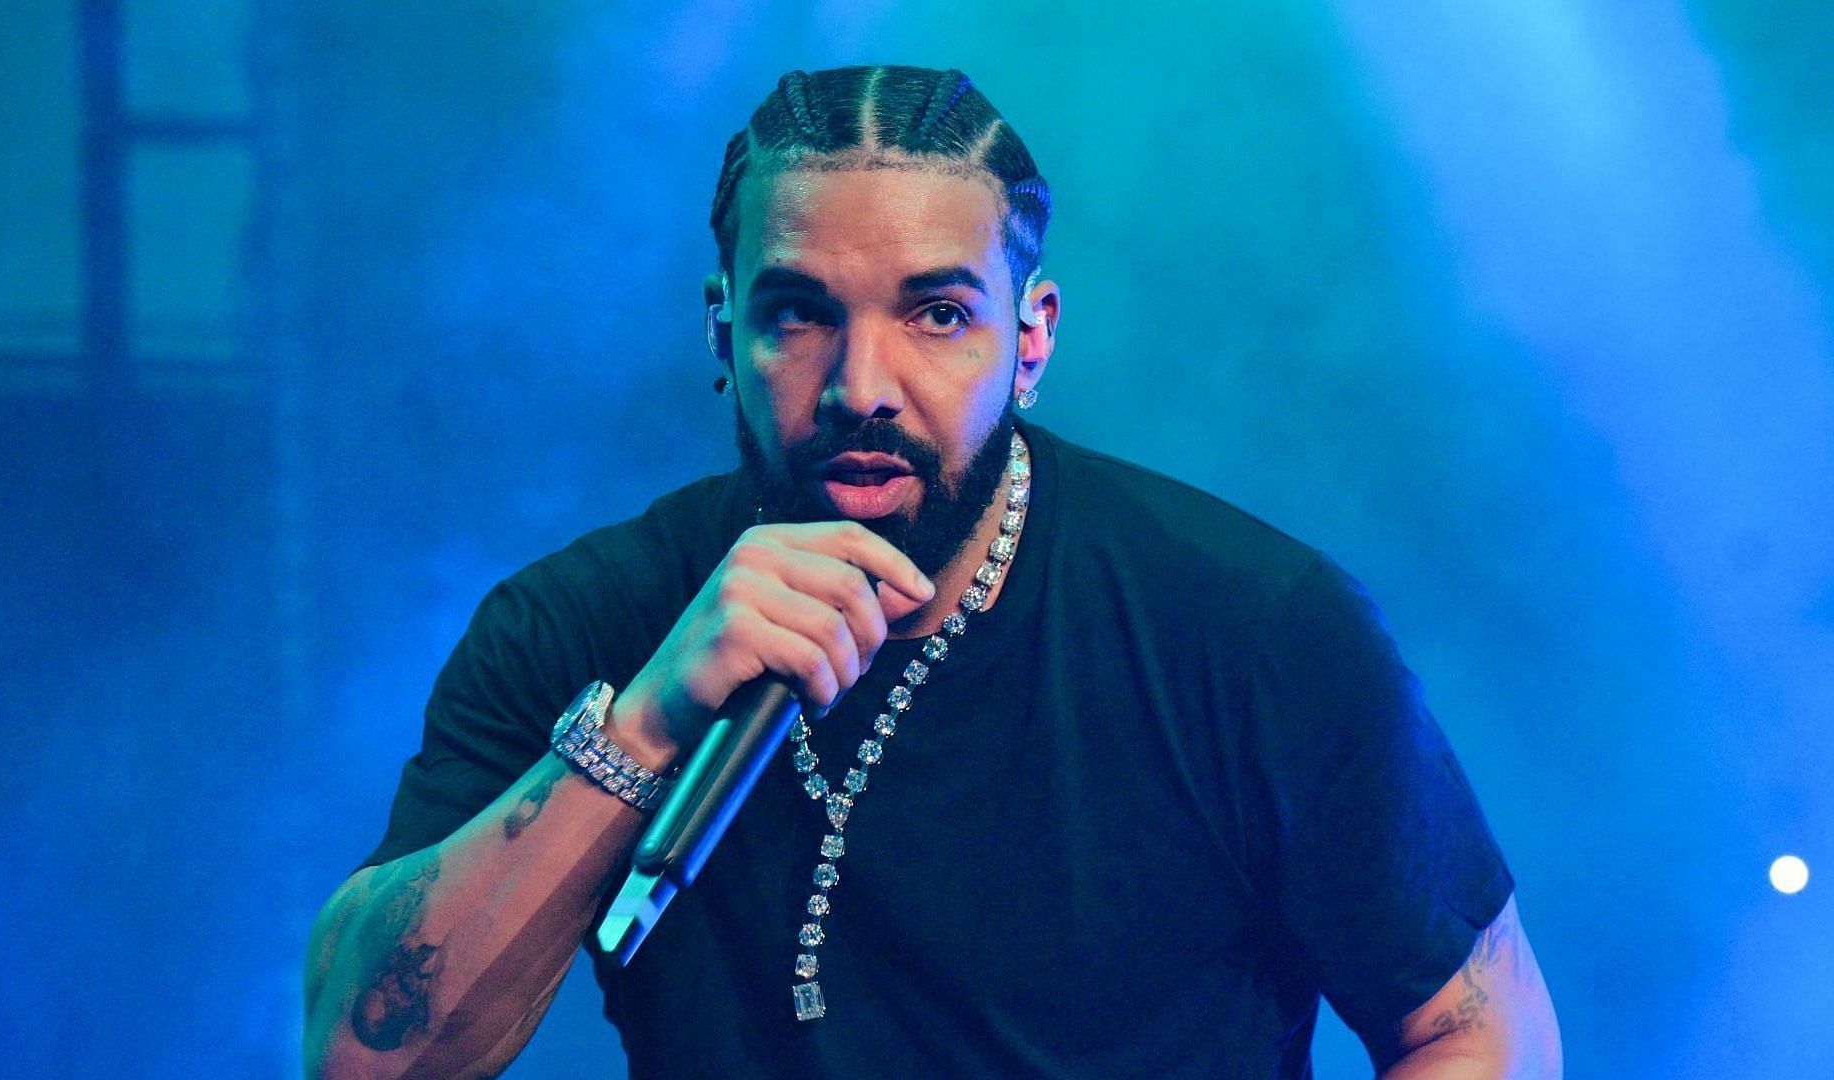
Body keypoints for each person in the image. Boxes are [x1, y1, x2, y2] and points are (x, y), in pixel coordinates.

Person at [303, 65, 1562, 1078]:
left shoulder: (1253, 629)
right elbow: (364, 1059)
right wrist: (646, 722)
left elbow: (1473, 1027)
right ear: (721, 330)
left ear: (1030, 339)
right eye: (798, 313)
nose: (861, 388)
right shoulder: (578, 622)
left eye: (937, 314)